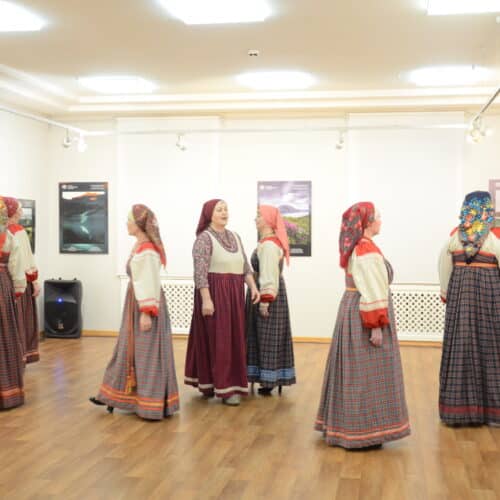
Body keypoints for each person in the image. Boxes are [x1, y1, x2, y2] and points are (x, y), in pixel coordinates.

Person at [315, 202, 410, 448]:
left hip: (353, 309)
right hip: (365, 314)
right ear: (368, 222)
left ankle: (348, 425)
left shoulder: (359, 247)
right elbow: (373, 288)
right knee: (368, 372)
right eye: (378, 217)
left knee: (355, 371)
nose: (381, 221)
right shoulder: (366, 249)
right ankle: (365, 431)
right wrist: (376, 324)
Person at [90, 204, 179, 420]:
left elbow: (148, 281)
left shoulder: (147, 250)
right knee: (127, 349)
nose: (127, 224)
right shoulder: (140, 246)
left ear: (138, 224)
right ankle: (112, 395)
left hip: (144, 305)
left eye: (129, 220)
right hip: (136, 303)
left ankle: (150, 404)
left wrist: (146, 312)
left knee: (145, 352)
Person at [185, 199, 259, 406]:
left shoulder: (235, 236)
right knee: (219, 341)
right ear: (210, 214)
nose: (224, 212)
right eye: (219, 210)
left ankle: (222, 384)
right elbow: (200, 273)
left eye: (226, 209)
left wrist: (253, 287)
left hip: (234, 294)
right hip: (215, 294)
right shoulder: (204, 239)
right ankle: (225, 388)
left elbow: (244, 266)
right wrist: (206, 300)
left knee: (233, 340)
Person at [438, 191, 500, 427]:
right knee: (490, 349)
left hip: (460, 301)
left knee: (460, 348)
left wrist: (446, 293)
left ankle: (457, 410)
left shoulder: (454, 239)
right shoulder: (494, 240)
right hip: (490, 301)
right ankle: (492, 411)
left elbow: (444, 267)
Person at [246, 205, 296, 395]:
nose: (255, 219)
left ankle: (268, 380)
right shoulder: (269, 242)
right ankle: (267, 377)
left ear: (267, 220)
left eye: (259, 216)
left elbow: (268, 273)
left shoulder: (268, 245)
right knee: (266, 336)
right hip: (272, 292)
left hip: (267, 294)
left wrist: (265, 300)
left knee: (266, 336)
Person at [4, 197, 40, 363]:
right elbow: (26, 259)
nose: (21, 212)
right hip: (19, 282)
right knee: (19, 321)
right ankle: (20, 357)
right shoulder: (17, 231)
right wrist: (34, 280)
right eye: (18, 209)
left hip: (7, 282)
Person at [0, 196, 26, 409]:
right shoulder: (8, 236)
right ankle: (7, 392)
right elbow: (16, 266)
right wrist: (18, 289)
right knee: (4, 333)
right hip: (2, 286)